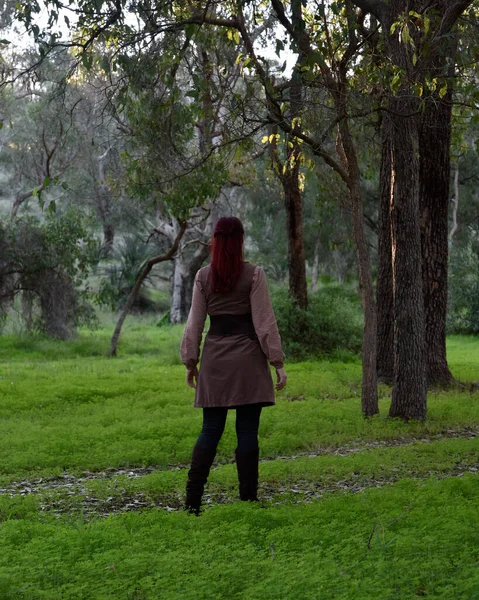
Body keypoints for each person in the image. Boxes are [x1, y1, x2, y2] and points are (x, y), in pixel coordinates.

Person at [180, 216, 287, 514]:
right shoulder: (254, 274)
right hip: (249, 361)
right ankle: (249, 501)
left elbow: (194, 325)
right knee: (247, 432)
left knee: (211, 429)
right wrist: (277, 362)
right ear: (240, 240)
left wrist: (190, 362)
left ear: (215, 240)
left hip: (215, 361)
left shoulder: (202, 277)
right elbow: (264, 323)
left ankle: (192, 502)